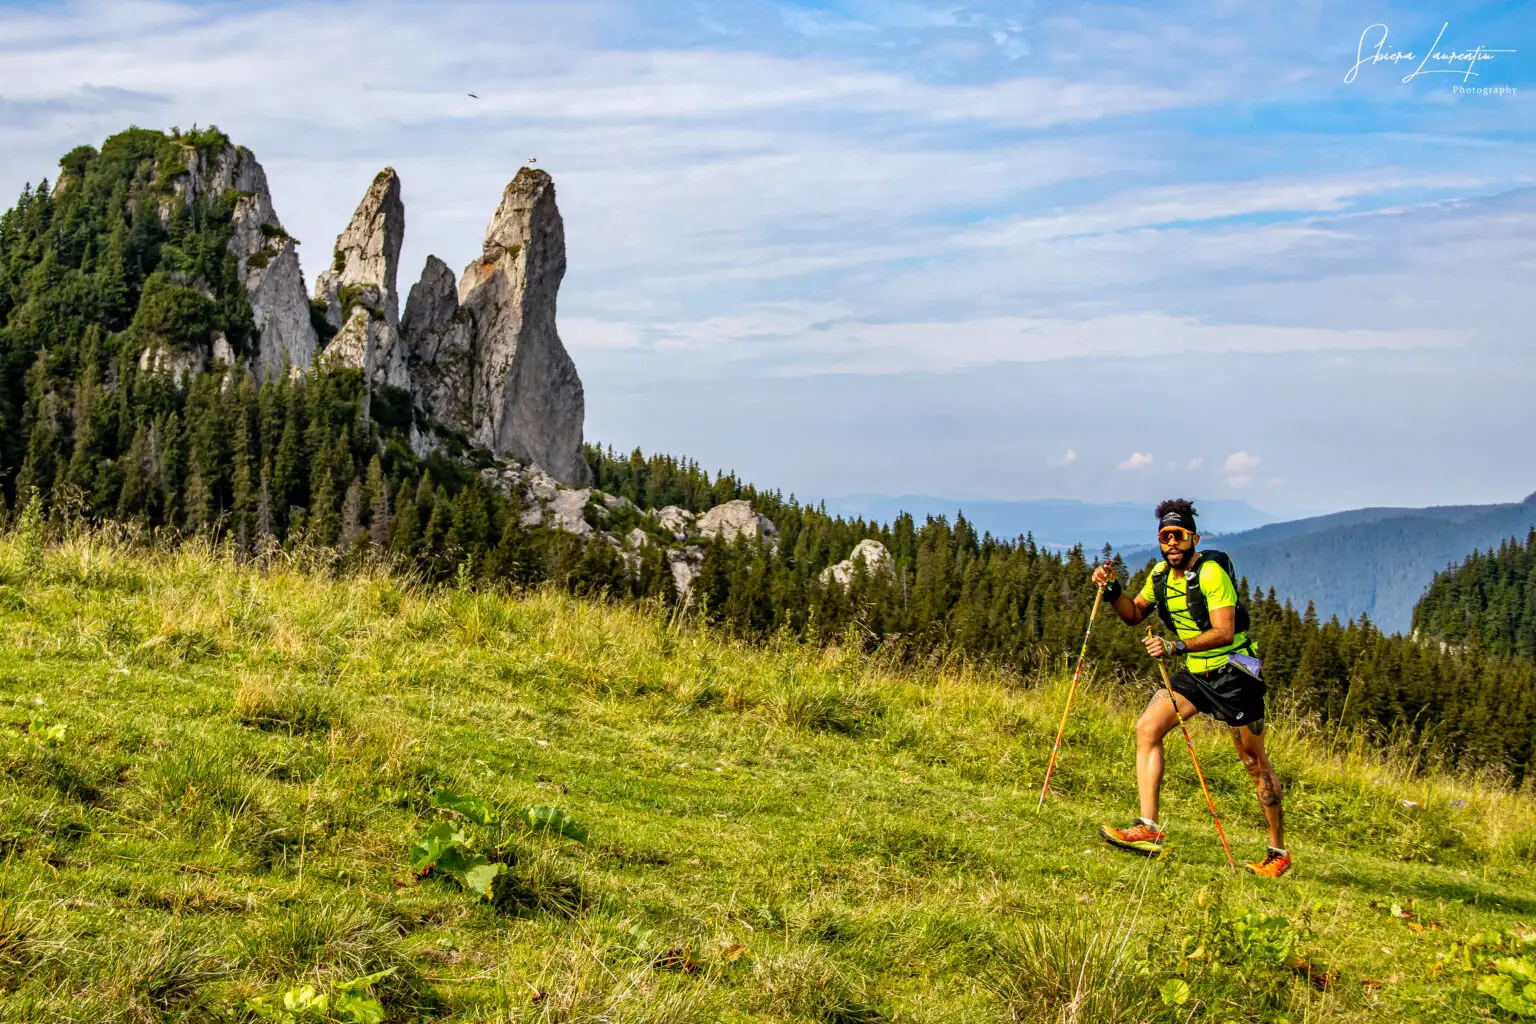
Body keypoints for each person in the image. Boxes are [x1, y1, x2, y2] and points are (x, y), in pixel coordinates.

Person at [1090, 498, 1291, 878]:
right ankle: (1148, 829)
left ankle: (1277, 851)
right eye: (1165, 537)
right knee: (1148, 727)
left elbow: (1224, 631)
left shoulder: (1213, 575)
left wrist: (1174, 646)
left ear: (1193, 537)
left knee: (1253, 763)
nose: (1172, 544)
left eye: (1178, 536)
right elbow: (1134, 614)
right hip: (1196, 672)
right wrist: (1113, 589)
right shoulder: (1160, 575)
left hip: (1235, 671)